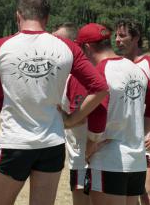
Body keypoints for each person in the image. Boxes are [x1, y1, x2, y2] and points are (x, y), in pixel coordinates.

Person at [0, 0, 108, 205]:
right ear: (47, 18)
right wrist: (71, 119)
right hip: (52, 143)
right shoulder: (67, 46)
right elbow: (100, 88)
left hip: (16, 142)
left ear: (18, 16)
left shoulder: (0, 46)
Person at [66, 22, 150, 205]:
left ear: (87, 48)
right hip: (136, 161)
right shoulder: (137, 70)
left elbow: (99, 115)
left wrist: (90, 146)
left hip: (109, 161)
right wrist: (144, 132)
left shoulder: (100, 72)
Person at [115, 19, 150, 205]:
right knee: (129, 194)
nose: (117, 40)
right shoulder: (116, 65)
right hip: (124, 141)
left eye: (122, 35)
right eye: (116, 35)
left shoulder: (148, 64)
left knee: (147, 193)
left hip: (146, 139)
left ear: (136, 38)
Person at [53, 23, 90, 205]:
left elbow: (81, 117)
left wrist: (64, 121)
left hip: (83, 157)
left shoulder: (78, 76)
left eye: (59, 40)